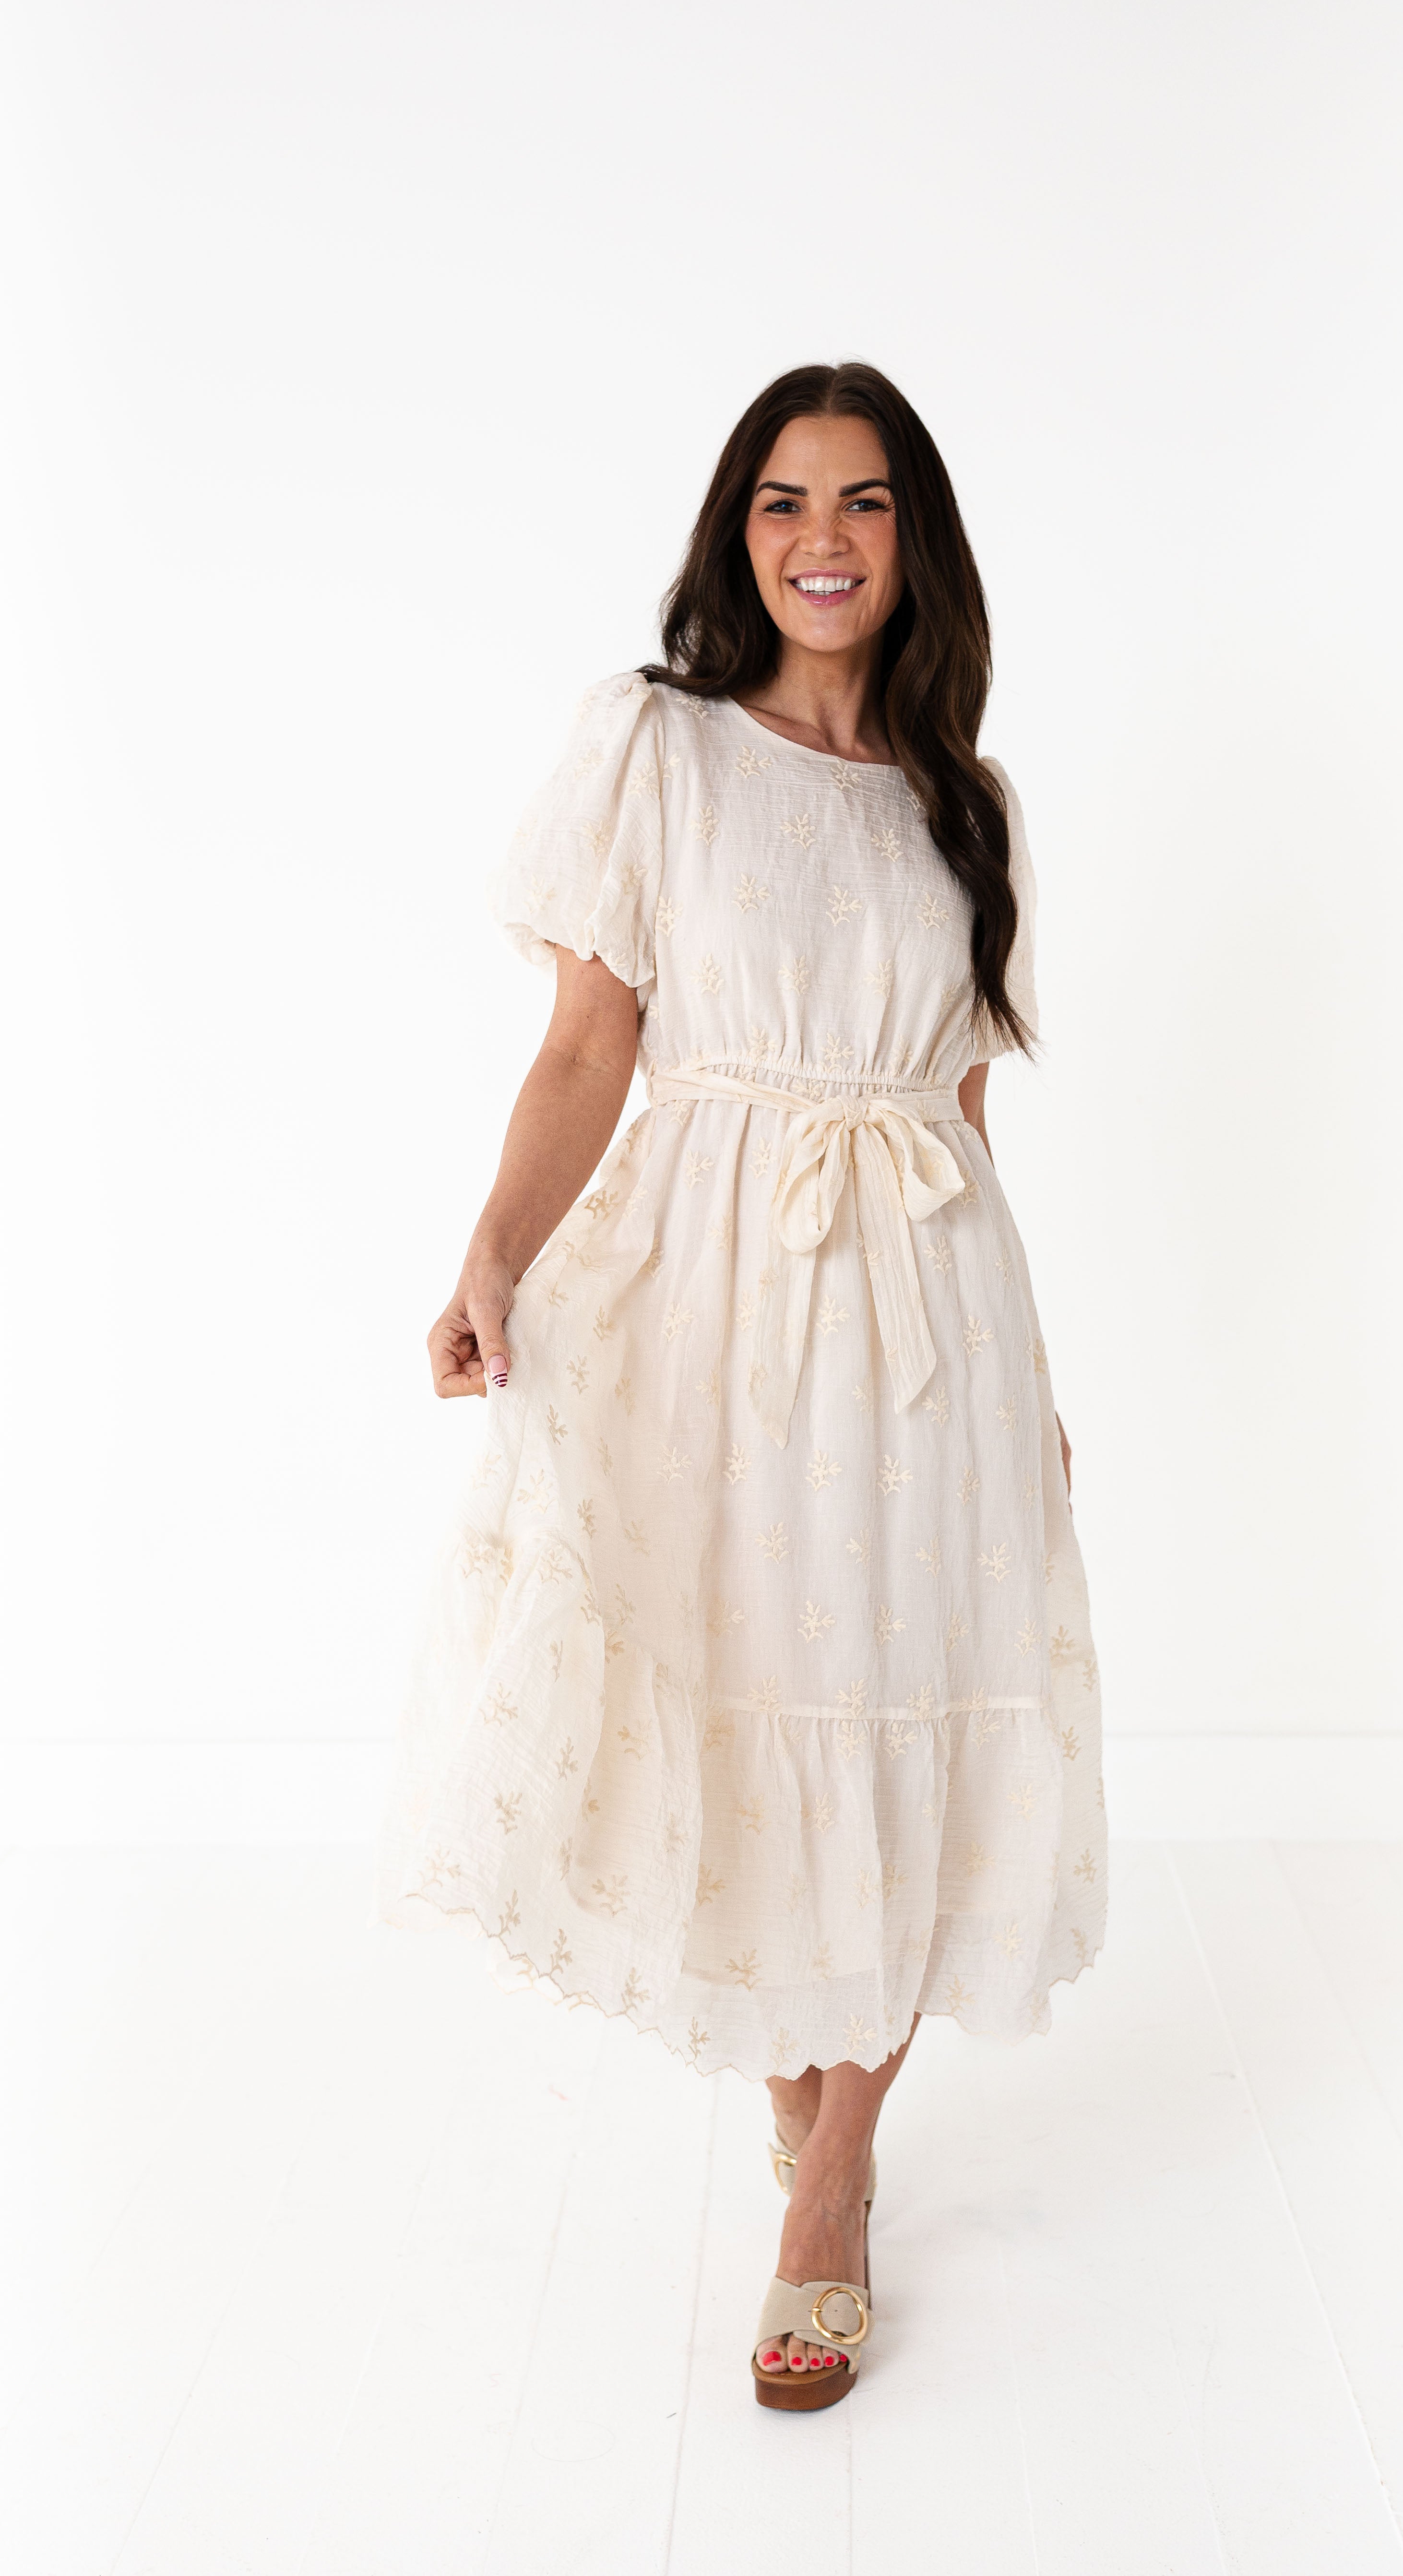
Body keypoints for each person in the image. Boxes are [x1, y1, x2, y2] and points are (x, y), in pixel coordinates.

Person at [380, 362, 1106, 2411]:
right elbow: (586, 1047)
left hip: (930, 1314)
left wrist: (1031, 1381)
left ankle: (835, 2180)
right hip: (716, 1300)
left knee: (907, 1703)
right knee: (748, 1688)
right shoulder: (658, 747)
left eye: (863, 502)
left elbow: (965, 1116)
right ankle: (806, 2079)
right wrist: (492, 1250)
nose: (821, 540)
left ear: (913, 540)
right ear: (737, 530)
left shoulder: (970, 807)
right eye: (784, 501)